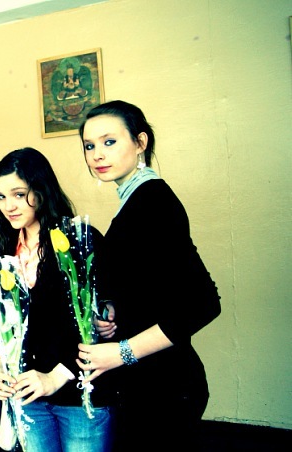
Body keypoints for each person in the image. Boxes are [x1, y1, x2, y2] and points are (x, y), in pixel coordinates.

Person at [76, 100, 221, 450]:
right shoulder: (137, 199)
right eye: (89, 146)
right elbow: (153, 286)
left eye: (110, 142)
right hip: (147, 385)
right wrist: (115, 309)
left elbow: (202, 303)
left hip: (165, 388)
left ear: (140, 142)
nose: (97, 154)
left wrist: (120, 352)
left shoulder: (153, 201)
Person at [0, 148, 114, 451]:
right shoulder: (5, 250)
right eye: (1, 197)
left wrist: (56, 376)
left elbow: (97, 325)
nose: (8, 206)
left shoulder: (80, 239)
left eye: (19, 194)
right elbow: (7, 327)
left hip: (79, 394)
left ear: (41, 190)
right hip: (28, 393)